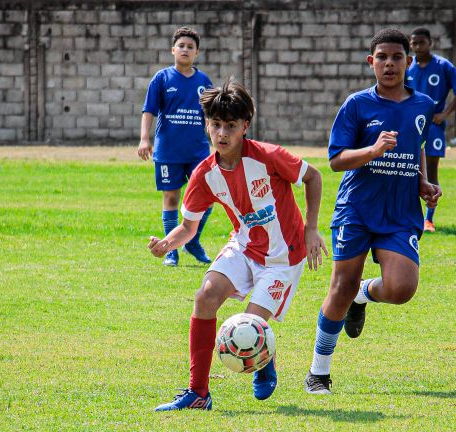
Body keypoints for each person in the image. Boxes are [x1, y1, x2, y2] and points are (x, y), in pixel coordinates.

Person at [148, 81, 327, 410]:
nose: (222, 133)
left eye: (230, 126)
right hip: (244, 248)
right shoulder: (205, 174)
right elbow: (188, 226)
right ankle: (198, 393)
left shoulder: (269, 157)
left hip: (282, 259)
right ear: (207, 125)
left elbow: (313, 176)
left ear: (245, 126)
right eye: (215, 125)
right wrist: (167, 243)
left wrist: (311, 228)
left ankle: (263, 359)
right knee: (205, 296)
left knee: (247, 328)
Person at [304, 28, 442, 395]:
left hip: (400, 213)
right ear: (371, 62)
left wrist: (422, 184)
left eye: (397, 57)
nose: (389, 64)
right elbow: (335, 160)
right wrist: (371, 151)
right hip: (358, 209)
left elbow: (415, 152)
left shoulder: (423, 106)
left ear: (408, 62)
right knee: (340, 287)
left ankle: (363, 295)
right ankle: (318, 372)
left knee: (401, 288)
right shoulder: (357, 105)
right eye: (381, 57)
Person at [138, 27, 214, 267]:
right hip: (169, 151)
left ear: (197, 53)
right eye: (181, 46)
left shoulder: (204, 82)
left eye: (190, 47)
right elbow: (148, 110)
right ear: (173, 50)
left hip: (198, 151)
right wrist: (144, 139)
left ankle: (193, 240)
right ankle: (170, 249)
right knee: (171, 198)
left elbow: (212, 116)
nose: (185, 50)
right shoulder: (161, 79)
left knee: (208, 197)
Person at [407, 27, 456, 232]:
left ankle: (429, 219)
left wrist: (444, 114)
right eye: (414, 43)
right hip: (410, 127)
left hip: (433, 127)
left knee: (430, 171)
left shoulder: (442, 66)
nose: (417, 47)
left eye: (421, 43)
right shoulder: (407, 66)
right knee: (406, 169)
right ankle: (407, 215)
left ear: (430, 43)